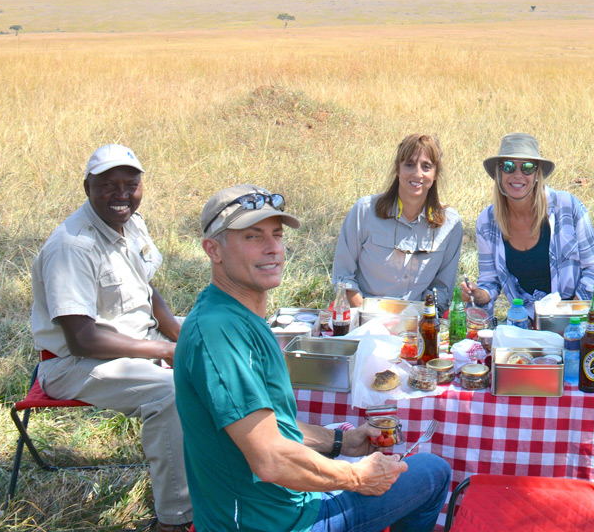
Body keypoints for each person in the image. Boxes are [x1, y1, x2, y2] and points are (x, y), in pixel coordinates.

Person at [175, 184, 451, 532]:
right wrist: (357, 476)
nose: (273, 248)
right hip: (274, 522)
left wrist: (341, 442)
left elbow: (268, 426)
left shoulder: (233, 313)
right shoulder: (218, 333)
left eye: (276, 234)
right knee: (432, 473)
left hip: (279, 506)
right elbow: (271, 458)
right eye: (252, 237)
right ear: (213, 249)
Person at [29, 144, 192, 532]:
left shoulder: (131, 222)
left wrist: (175, 330)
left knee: (228, 334)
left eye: (130, 184)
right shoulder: (72, 246)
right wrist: (166, 349)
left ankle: (241, 473)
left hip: (138, 338)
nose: (121, 194)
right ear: (87, 186)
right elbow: (83, 338)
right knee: (170, 393)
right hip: (76, 363)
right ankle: (175, 519)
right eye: (108, 185)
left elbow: (145, 289)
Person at [461, 133, 594, 320]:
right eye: (509, 166)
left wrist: (568, 315)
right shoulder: (488, 221)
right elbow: (490, 281)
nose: (518, 175)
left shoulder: (568, 207)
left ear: (537, 174)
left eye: (527, 167)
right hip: (527, 320)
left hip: (579, 315)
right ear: (499, 173)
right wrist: (479, 295)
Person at [332, 134, 462, 313]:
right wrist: (367, 317)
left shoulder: (451, 224)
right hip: (365, 319)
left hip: (419, 323)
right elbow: (343, 278)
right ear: (397, 169)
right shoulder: (364, 211)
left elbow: (442, 289)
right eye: (409, 164)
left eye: (426, 166)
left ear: (435, 174)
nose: (417, 173)